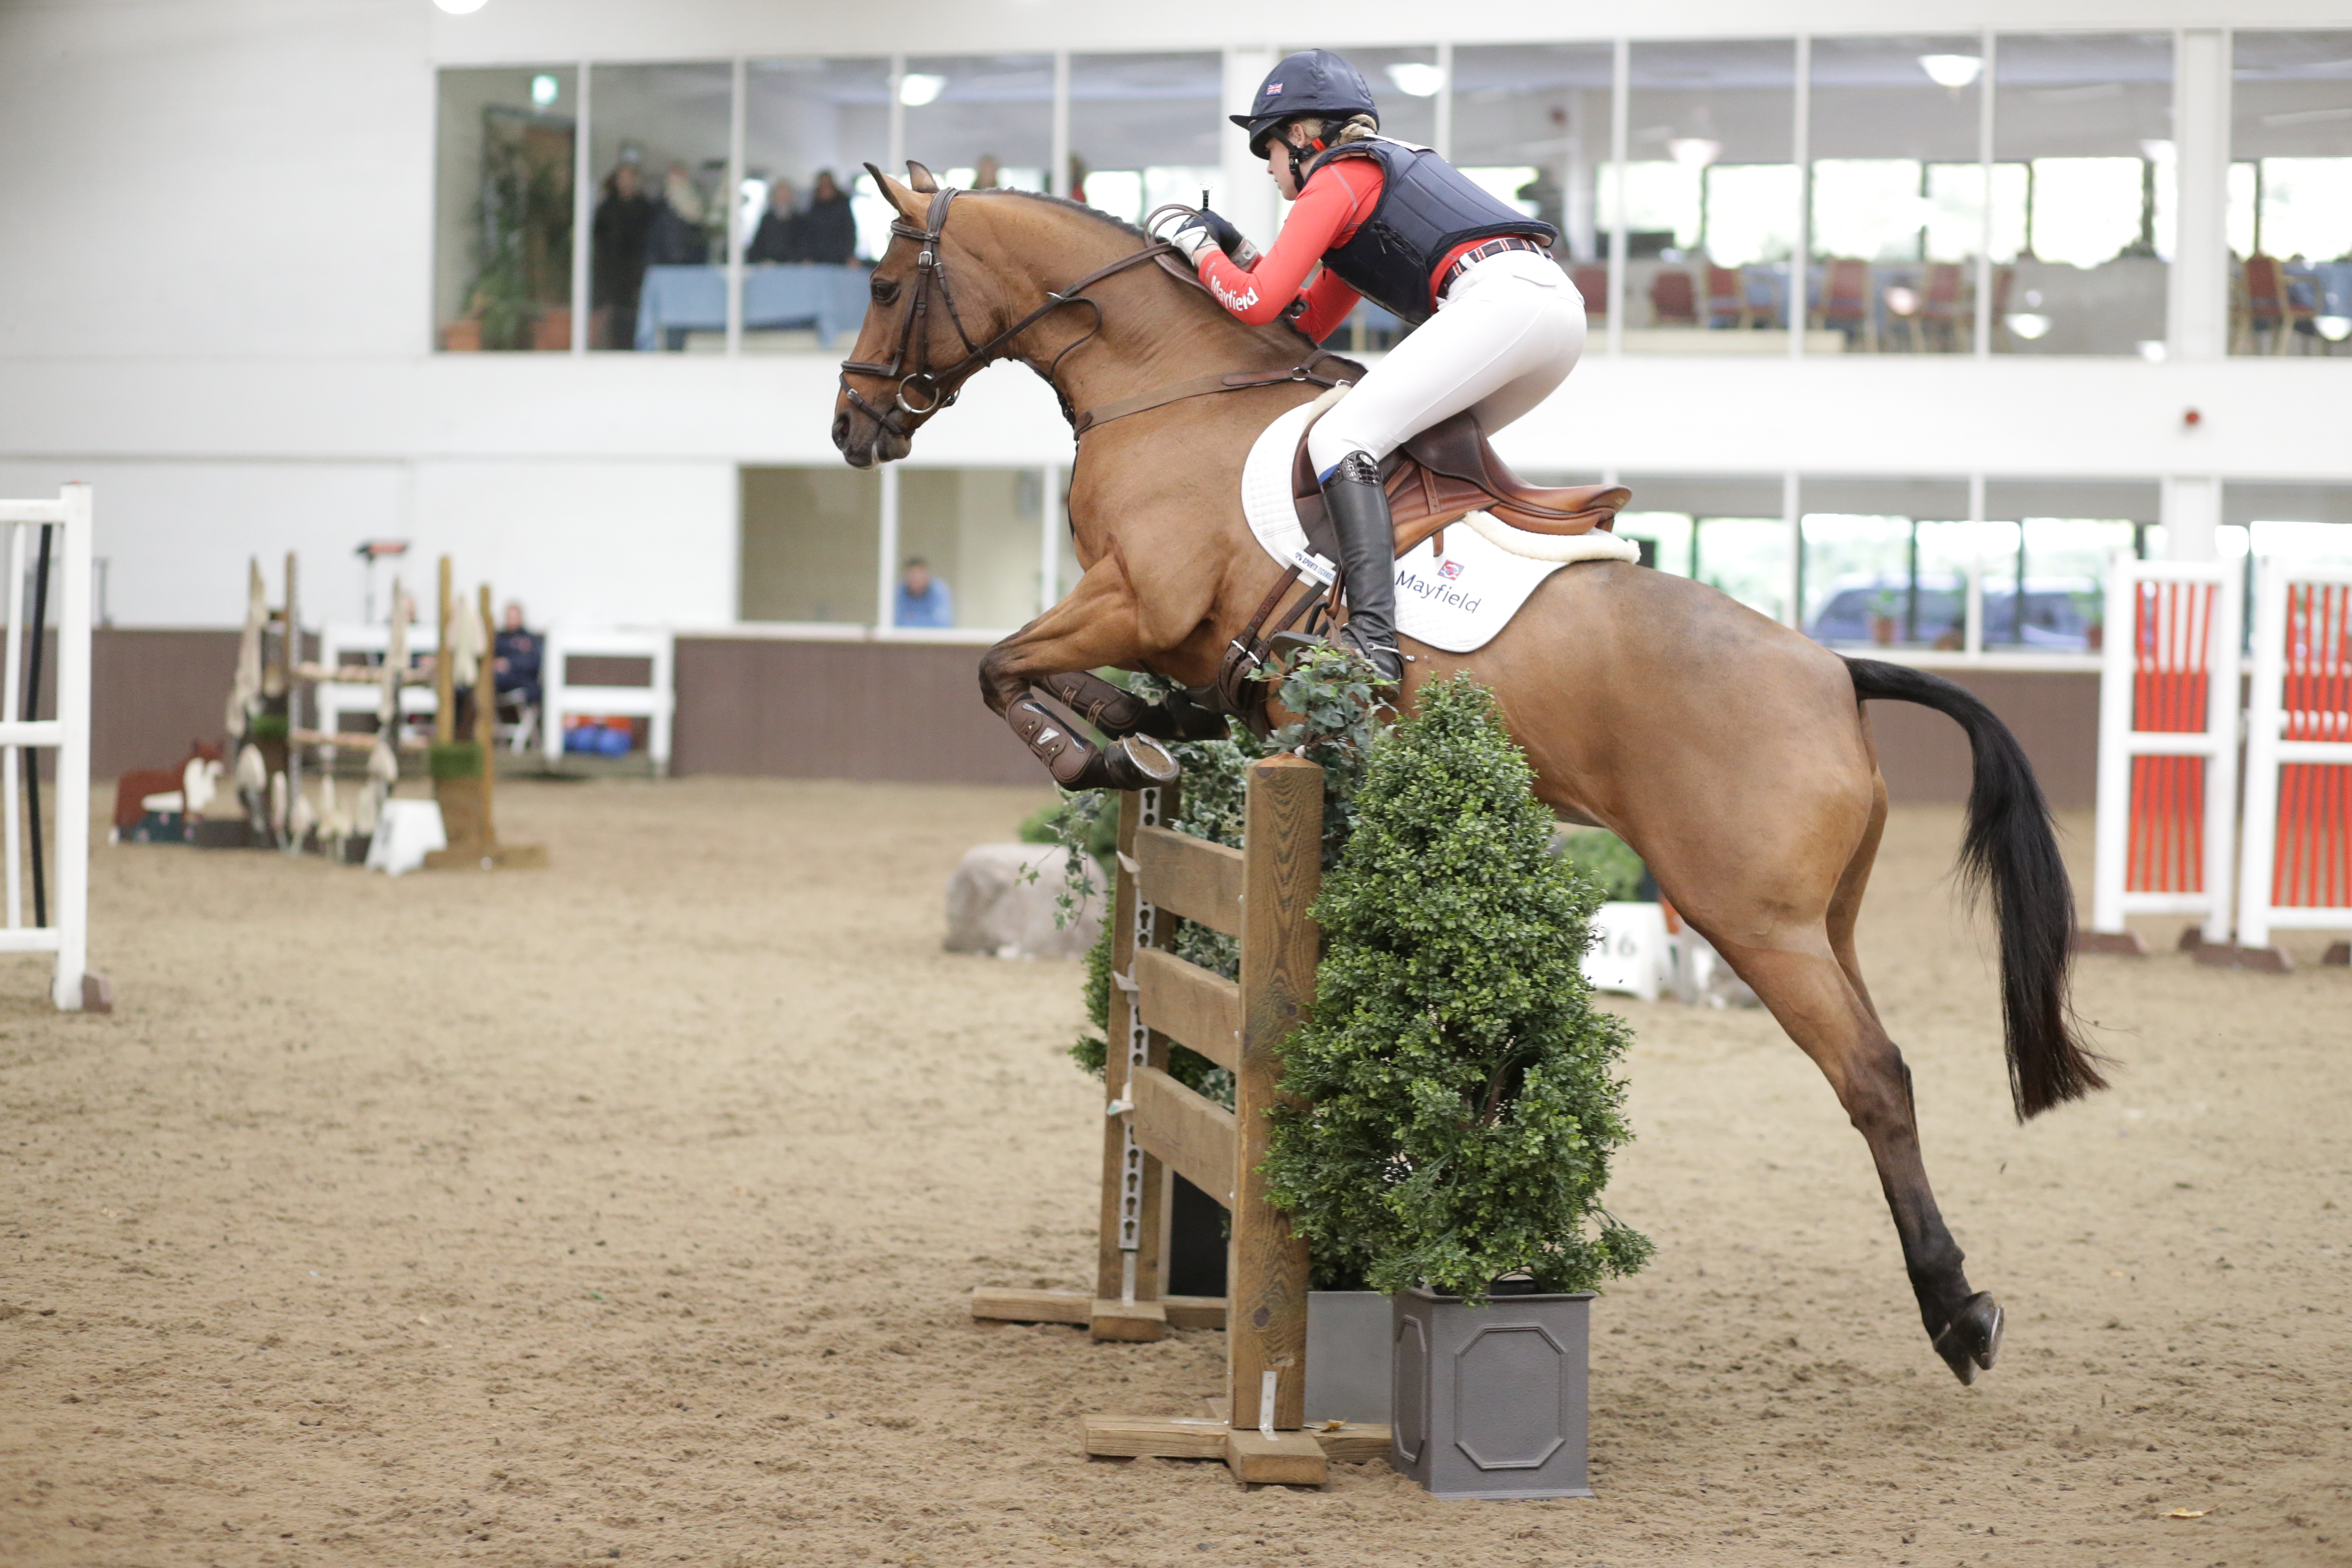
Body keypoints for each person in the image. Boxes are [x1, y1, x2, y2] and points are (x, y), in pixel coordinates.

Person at [1157, 49, 1580, 684]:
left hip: (1503, 301)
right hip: (1547, 313)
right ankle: (1442, 608)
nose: (1271, 168)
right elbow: (1302, 323)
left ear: (1302, 135)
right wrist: (1238, 248)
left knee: (1341, 436)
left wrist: (1196, 248)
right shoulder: (1366, 187)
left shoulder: (1337, 177)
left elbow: (1256, 303)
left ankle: (1374, 639)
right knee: (1411, 453)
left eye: (1269, 150)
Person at [591, 160, 655, 349]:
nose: (626, 182)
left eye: (630, 178)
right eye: (623, 178)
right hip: (612, 276)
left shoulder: (644, 209)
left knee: (634, 322)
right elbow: (600, 243)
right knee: (613, 326)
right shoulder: (607, 209)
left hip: (636, 276)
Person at [647, 162, 710, 265]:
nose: (678, 178)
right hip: (667, 264)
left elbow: (702, 238)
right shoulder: (660, 207)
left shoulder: (699, 204)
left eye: (681, 174)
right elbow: (654, 239)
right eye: (675, 174)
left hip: (692, 263)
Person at [799, 170, 858, 266]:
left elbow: (850, 232)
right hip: (816, 258)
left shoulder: (843, 206)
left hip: (840, 257)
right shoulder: (813, 207)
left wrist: (850, 255)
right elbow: (807, 234)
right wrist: (806, 255)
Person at [493, 601, 543, 712]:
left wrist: (509, 663)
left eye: (514, 616)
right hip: (500, 682)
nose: (511, 619)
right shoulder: (498, 638)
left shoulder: (531, 639)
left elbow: (535, 661)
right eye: (509, 616)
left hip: (523, 681)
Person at [747, 178, 804, 264]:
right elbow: (759, 245)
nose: (783, 197)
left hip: (792, 266)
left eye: (786, 194)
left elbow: (802, 245)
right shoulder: (767, 219)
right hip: (769, 266)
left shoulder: (799, 220)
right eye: (780, 194)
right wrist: (763, 261)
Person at [893, 557, 954, 628]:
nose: (917, 579)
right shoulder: (899, 591)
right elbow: (897, 623)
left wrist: (912, 618)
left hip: (933, 638)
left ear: (927, 575)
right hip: (905, 638)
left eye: (920, 574)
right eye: (913, 575)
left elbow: (944, 624)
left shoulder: (939, 590)